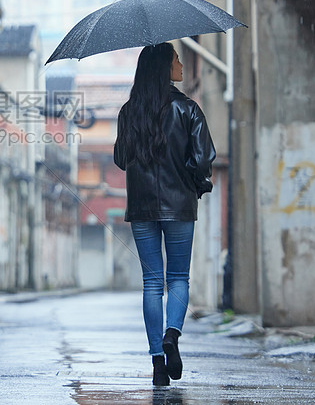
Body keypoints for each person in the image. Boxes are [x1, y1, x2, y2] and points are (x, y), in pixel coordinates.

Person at [113, 43, 216, 387]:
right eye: (175, 59)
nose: (182, 64)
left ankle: (157, 359)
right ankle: (172, 334)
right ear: (163, 67)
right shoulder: (188, 109)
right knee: (178, 279)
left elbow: (119, 159)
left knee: (152, 283)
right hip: (180, 205)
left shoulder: (130, 111)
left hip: (141, 206)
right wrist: (196, 183)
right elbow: (203, 159)